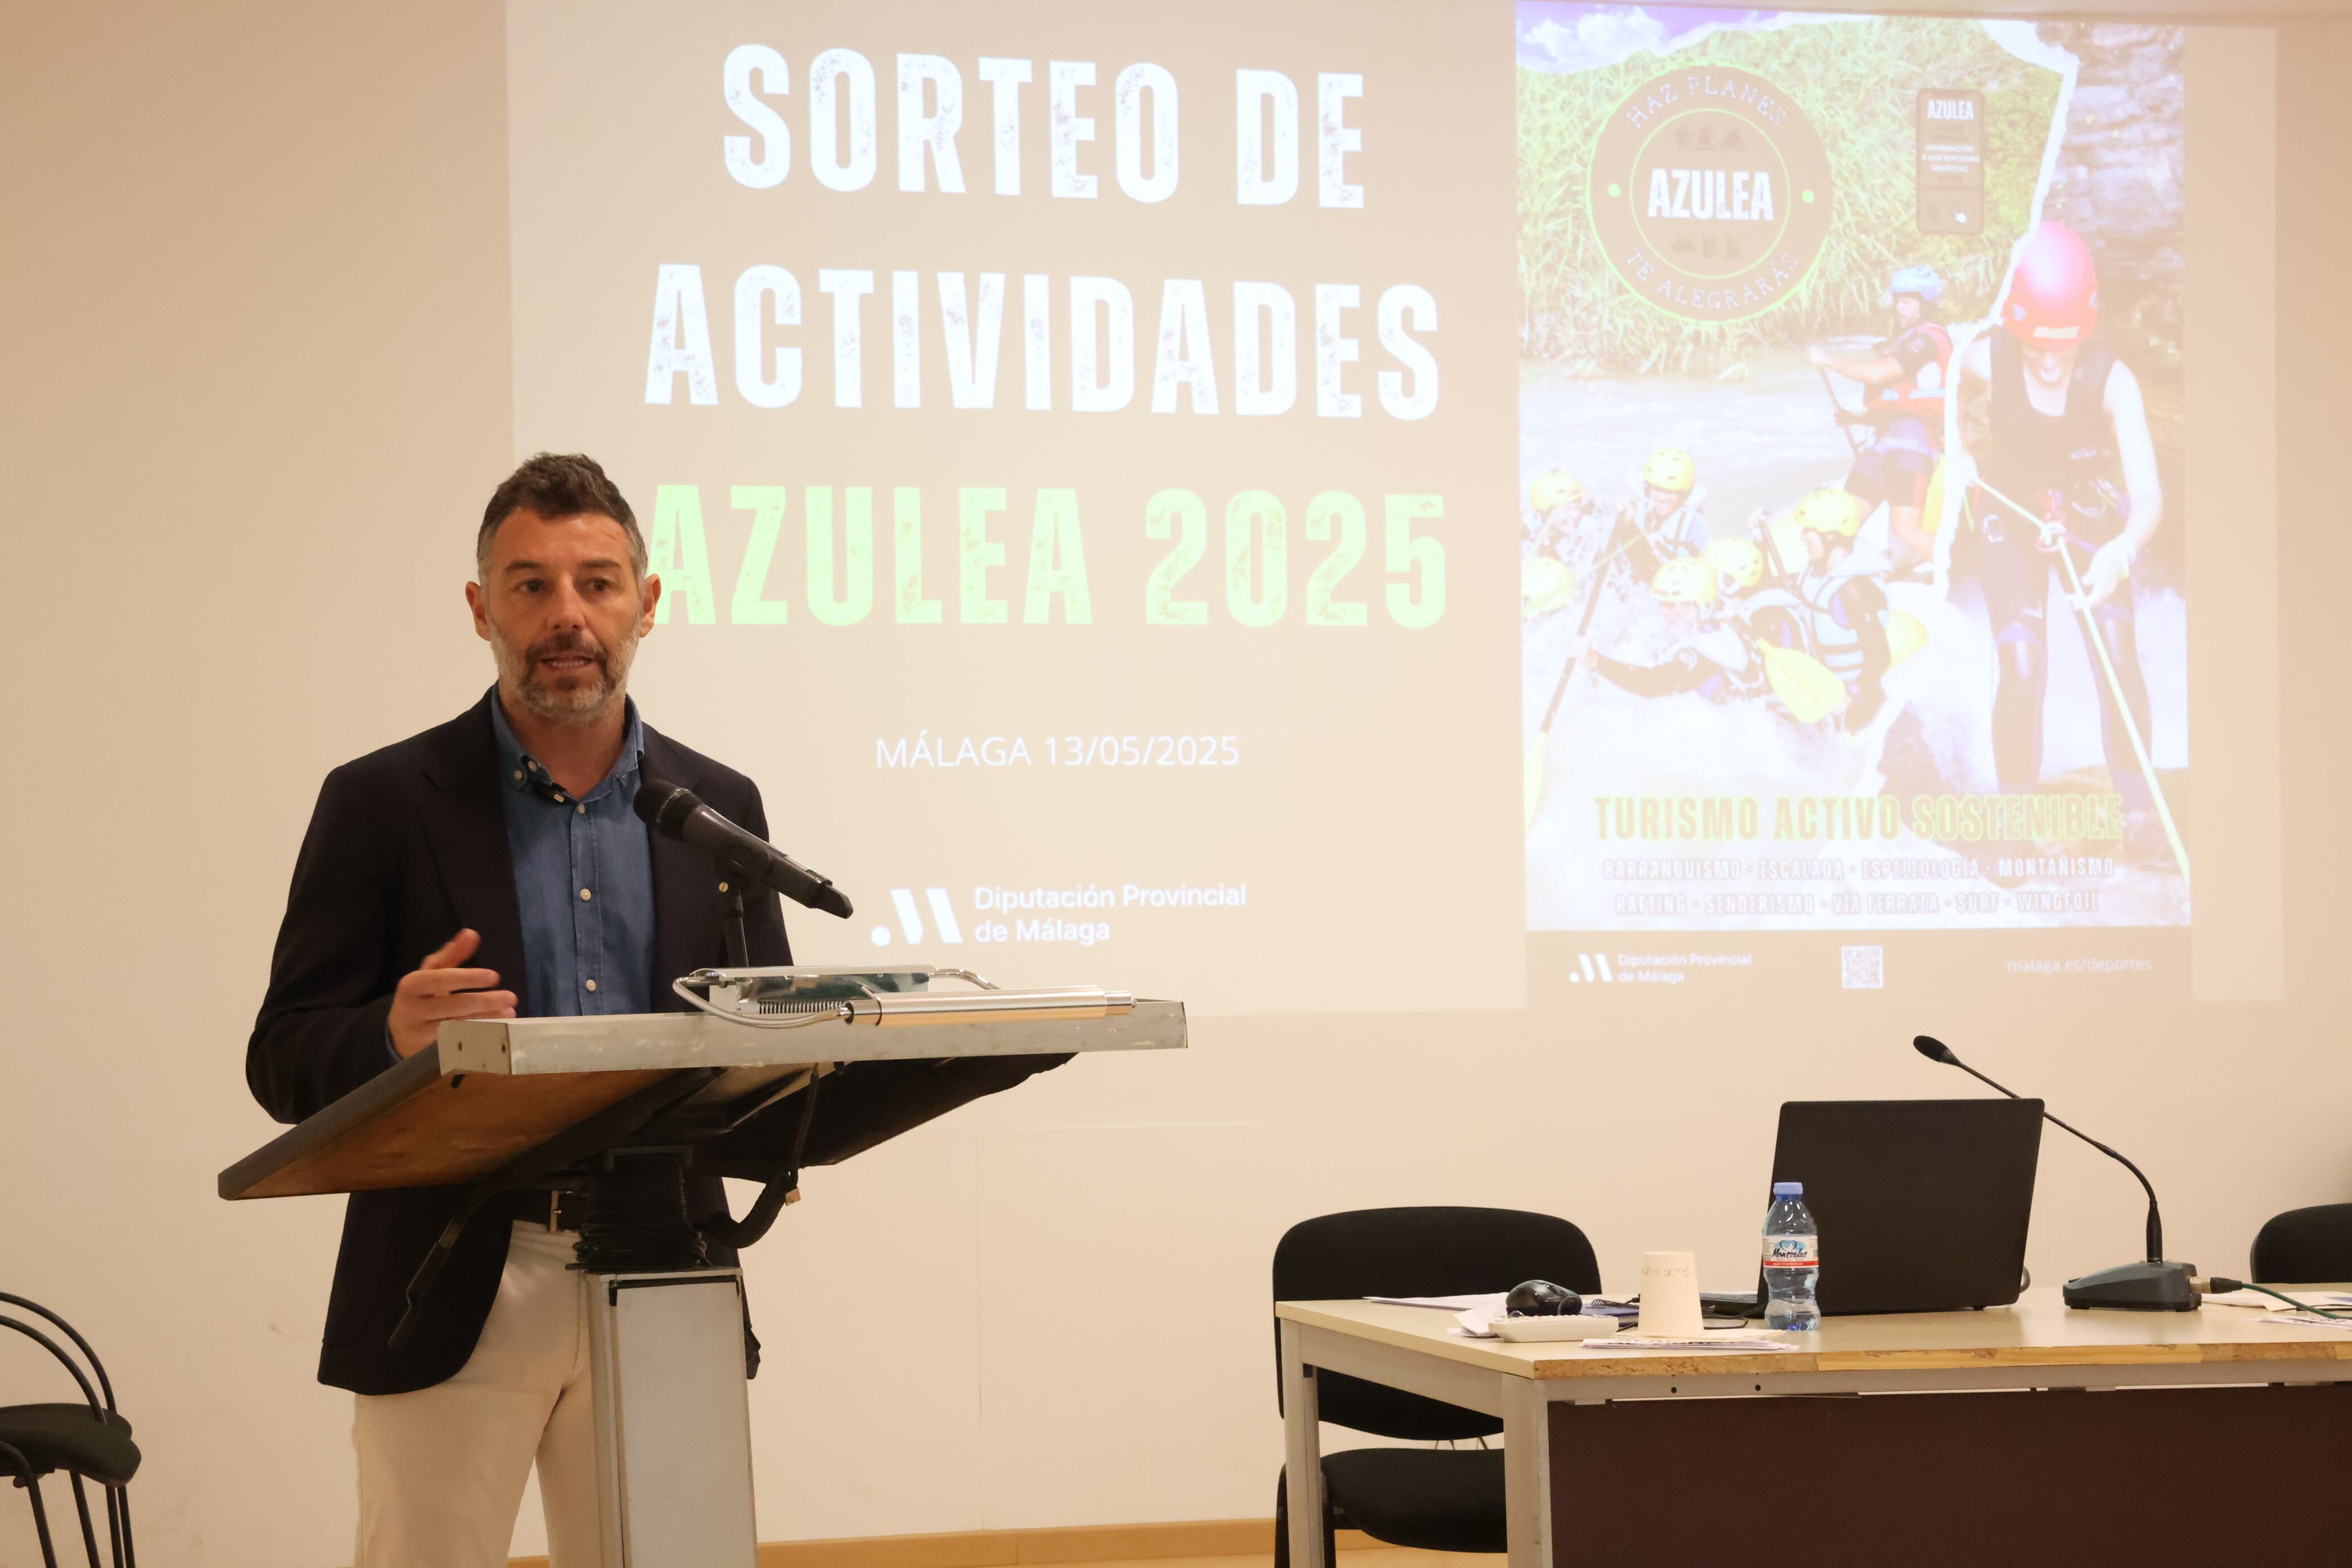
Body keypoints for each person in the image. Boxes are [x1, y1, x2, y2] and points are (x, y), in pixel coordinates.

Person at [246, 454, 794, 1567]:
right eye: (531, 583)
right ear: (479, 607)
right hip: (454, 1275)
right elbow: (283, 1054)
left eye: (596, 582)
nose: (567, 616)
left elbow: (765, 1049)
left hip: (667, 1268)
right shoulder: (382, 802)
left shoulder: (717, 810)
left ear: (646, 603)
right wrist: (390, 1039)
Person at [1948, 221, 2167, 859]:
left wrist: (2121, 550)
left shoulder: (2113, 380)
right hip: (2010, 511)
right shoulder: (1987, 356)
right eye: (2036, 348)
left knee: (2119, 663)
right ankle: (2015, 825)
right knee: (2023, 669)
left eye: (2063, 351)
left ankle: (2139, 816)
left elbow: (2150, 495)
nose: (2047, 362)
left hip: (2090, 518)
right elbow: (1939, 385)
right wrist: (1955, 449)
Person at [1808, 265, 1952, 573]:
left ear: (1925, 304)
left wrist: (1827, 358)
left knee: (1906, 529)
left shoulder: (1927, 341)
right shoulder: (1907, 338)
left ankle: (1955, 572)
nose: (1899, 307)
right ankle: (1834, 581)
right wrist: (1858, 419)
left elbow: (1878, 374)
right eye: (1898, 300)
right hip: (1885, 440)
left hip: (1913, 446)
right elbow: (1901, 406)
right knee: (1840, 522)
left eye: (1908, 301)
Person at [1748, 488, 1894, 727]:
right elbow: (1775, 594)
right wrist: (1760, 543)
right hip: (1821, 682)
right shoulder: (1818, 570)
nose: (1802, 537)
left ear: (1831, 536)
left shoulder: (1852, 591)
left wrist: (1850, 696)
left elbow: (1880, 658)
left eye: (1809, 532)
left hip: (1859, 703)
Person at [1569, 555, 1762, 701]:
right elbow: (1649, 567)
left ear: (1697, 604)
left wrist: (1597, 662)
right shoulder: (1717, 618)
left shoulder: (1709, 649)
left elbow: (1651, 685)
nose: (1663, 612)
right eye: (1662, 604)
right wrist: (1629, 528)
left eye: (1672, 605)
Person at [1622, 446, 1708, 582]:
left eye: (1670, 492)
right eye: (1657, 489)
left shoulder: (1695, 522)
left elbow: (1705, 567)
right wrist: (1626, 523)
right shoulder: (1640, 510)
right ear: (1647, 488)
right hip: (1645, 580)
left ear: (1684, 493)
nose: (1662, 498)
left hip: (1677, 585)